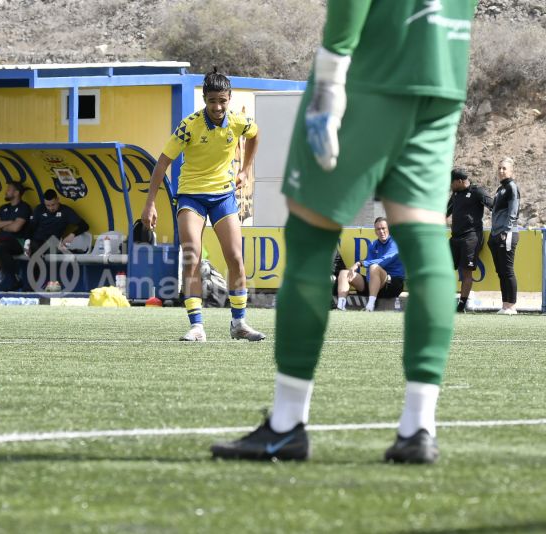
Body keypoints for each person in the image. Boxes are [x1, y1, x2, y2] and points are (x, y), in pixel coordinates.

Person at [211, 1, 477, 464]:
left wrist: (331, 77)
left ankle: (287, 423)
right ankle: (419, 427)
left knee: (312, 241)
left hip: (368, 72)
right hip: (442, 75)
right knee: (427, 240)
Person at [141, 69, 265, 342]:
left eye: (222, 100)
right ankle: (197, 326)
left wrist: (245, 170)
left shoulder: (237, 121)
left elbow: (255, 136)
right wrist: (150, 204)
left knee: (235, 257)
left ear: (229, 98)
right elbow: (162, 162)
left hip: (222, 196)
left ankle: (239, 323)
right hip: (191, 196)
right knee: (192, 256)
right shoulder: (189, 126)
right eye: (211, 101)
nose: (217, 107)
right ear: (204, 100)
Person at [446, 167, 493, 312]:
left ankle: (461, 305)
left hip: (470, 238)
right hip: (455, 238)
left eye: (451, 183)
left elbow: (493, 206)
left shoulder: (477, 191)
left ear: (459, 181)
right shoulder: (455, 194)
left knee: (467, 272)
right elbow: (444, 212)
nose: (450, 185)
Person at [335, 217, 405, 311]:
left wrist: (360, 263)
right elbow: (369, 271)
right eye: (378, 229)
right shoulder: (373, 245)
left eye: (383, 228)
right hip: (375, 286)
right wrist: (370, 283)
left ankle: (370, 306)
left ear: (389, 229)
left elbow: (384, 261)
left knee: (374, 267)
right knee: (344, 273)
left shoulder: (395, 242)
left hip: (392, 285)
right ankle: (340, 306)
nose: (381, 231)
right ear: (375, 231)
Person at [27, 189, 89, 290]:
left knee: (38, 251)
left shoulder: (65, 211)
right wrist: (27, 242)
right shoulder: (39, 209)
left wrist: (73, 234)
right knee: (34, 248)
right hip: (37, 241)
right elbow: (30, 228)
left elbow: (84, 225)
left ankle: (34, 286)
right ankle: (34, 285)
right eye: (48, 205)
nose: (51, 208)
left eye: (53, 205)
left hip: (53, 243)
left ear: (58, 200)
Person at [488, 157, 520, 315]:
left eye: (504, 168)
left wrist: (505, 232)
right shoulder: (499, 189)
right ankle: (505, 305)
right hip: (496, 234)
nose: (501, 171)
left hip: (507, 234)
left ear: (511, 170)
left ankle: (512, 306)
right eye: (499, 168)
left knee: (507, 270)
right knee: (500, 271)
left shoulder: (512, 187)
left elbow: (513, 212)